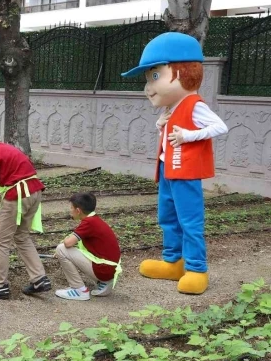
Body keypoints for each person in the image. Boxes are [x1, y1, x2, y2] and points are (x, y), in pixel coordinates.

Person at [121, 32, 228, 295]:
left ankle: (196, 268)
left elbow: (220, 127)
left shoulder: (194, 104)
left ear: (182, 72)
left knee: (189, 221)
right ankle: (173, 262)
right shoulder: (170, 108)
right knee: (167, 217)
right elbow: (170, 138)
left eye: (155, 76)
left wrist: (188, 136)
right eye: (148, 79)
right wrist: (162, 126)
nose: (148, 87)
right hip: (167, 171)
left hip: (186, 173)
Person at [0, 118, 49, 300]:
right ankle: (39, 278)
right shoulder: (4, 147)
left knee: (1, 240)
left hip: (18, 194)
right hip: (35, 190)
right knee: (21, 236)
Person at [54, 193, 121, 301]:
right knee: (65, 249)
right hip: (110, 268)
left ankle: (79, 290)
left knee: (61, 249)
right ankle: (104, 282)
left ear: (78, 210)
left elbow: (67, 243)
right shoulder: (95, 220)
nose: (70, 211)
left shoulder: (88, 223)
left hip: (104, 270)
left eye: (71, 208)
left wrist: (65, 243)